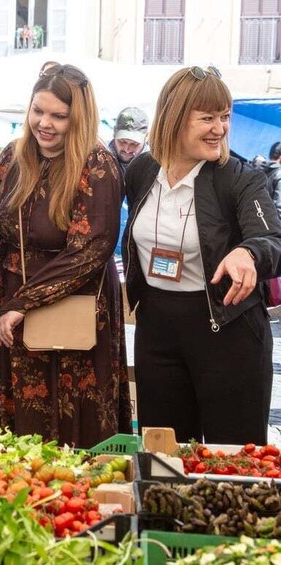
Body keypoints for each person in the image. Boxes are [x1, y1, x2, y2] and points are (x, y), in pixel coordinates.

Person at [0, 64, 132, 448]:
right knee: (7, 438)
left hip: (74, 310)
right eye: (38, 110)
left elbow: (89, 250)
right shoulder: (12, 157)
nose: (45, 123)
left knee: (74, 432)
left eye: (59, 116)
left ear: (79, 118)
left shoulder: (98, 166)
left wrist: (23, 303)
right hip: (12, 307)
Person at [122, 66, 281, 445]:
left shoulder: (240, 178)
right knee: (165, 456)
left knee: (234, 460)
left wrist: (248, 253)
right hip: (156, 330)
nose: (220, 128)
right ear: (175, 118)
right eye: (207, 118)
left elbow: (272, 237)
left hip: (227, 330)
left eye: (224, 117)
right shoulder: (142, 170)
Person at [108, 107, 149, 278]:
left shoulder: (153, 166)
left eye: (134, 144)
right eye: (122, 142)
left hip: (139, 252)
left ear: (145, 140)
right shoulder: (99, 161)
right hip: (105, 251)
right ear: (114, 134)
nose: (126, 148)